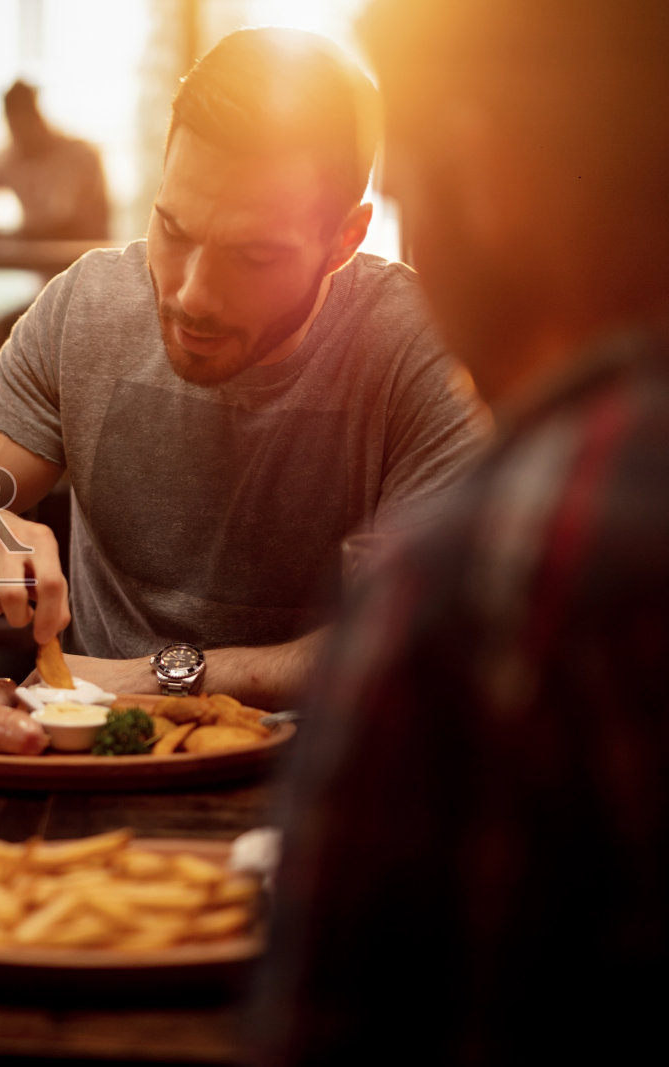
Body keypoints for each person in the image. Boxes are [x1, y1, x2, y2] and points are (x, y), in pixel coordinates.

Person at [249, 1, 669, 1062]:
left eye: (401, 199)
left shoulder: (495, 579)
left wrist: (152, 675)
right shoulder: (82, 306)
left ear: (488, 175)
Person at [0, 28, 489, 709]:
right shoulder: (88, 308)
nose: (192, 293)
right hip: (99, 771)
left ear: (345, 239)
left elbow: (417, 640)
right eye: (174, 230)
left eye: (251, 257)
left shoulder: (415, 345)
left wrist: (164, 677)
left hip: (313, 786)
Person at [0, 80, 110, 241]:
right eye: (13, 126)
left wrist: (18, 237)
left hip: (85, 258)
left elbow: (72, 224)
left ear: (37, 116)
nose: (19, 134)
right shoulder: (8, 159)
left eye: (23, 123)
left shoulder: (81, 155)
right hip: (37, 262)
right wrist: (0, 238)